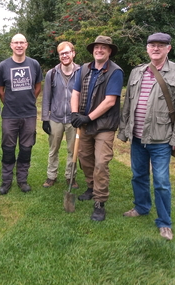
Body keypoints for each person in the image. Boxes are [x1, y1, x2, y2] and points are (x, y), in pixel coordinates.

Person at [118, 32, 175, 240]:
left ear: (169, 48)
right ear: (147, 49)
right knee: (138, 176)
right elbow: (128, 104)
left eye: (161, 45)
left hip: (162, 139)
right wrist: (124, 131)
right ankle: (141, 207)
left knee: (161, 182)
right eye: (152, 45)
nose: (156, 49)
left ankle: (165, 222)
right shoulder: (137, 72)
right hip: (138, 137)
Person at [70, 36, 124, 222]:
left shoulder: (115, 72)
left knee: (101, 163)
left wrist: (88, 117)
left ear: (109, 52)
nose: (99, 50)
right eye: (97, 47)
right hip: (85, 124)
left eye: (104, 48)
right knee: (85, 159)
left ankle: (100, 202)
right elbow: (75, 92)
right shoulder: (84, 68)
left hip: (104, 125)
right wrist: (75, 113)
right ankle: (91, 187)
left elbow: (110, 101)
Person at [0, 33, 42, 194]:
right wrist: (8, 102)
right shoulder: (3, 66)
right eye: (16, 42)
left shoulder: (34, 64)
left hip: (29, 114)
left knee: (26, 148)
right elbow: (0, 89)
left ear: (26, 45)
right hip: (10, 115)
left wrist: (30, 100)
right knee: (8, 149)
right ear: (11, 45)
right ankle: (6, 181)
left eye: (22, 42)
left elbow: (38, 86)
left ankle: (22, 180)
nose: (19, 45)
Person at [41, 41, 80, 189]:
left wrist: (81, 115)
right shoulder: (52, 74)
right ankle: (51, 176)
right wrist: (45, 119)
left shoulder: (81, 72)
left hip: (73, 119)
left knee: (73, 150)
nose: (64, 56)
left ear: (73, 53)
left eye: (67, 52)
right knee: (53, 149)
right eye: (61, 53)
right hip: (55, 118)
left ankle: (71, 177)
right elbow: (46, 98)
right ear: (59, 56)